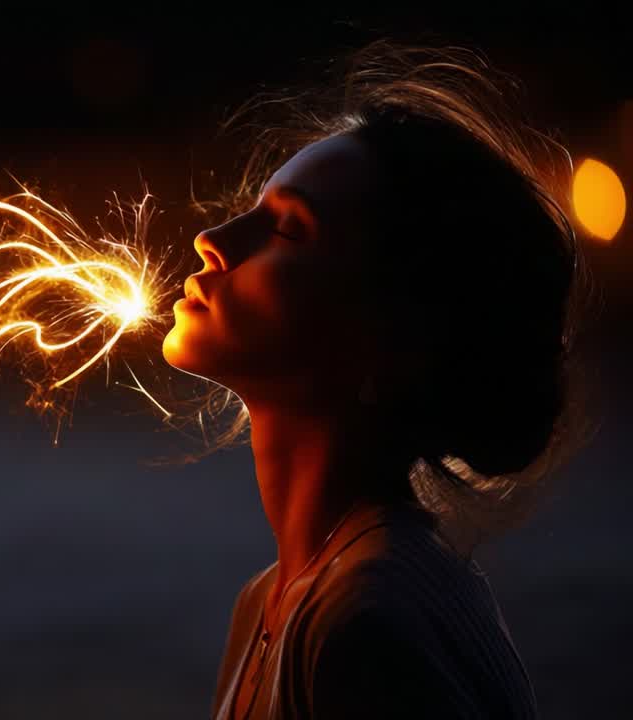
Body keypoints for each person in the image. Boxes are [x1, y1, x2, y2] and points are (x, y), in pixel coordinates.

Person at [162, 42, 588, 719]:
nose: (211, 237)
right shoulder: (271, 602)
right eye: (253, 208)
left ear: (387, 340)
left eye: (288, 229)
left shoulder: (364, 629)